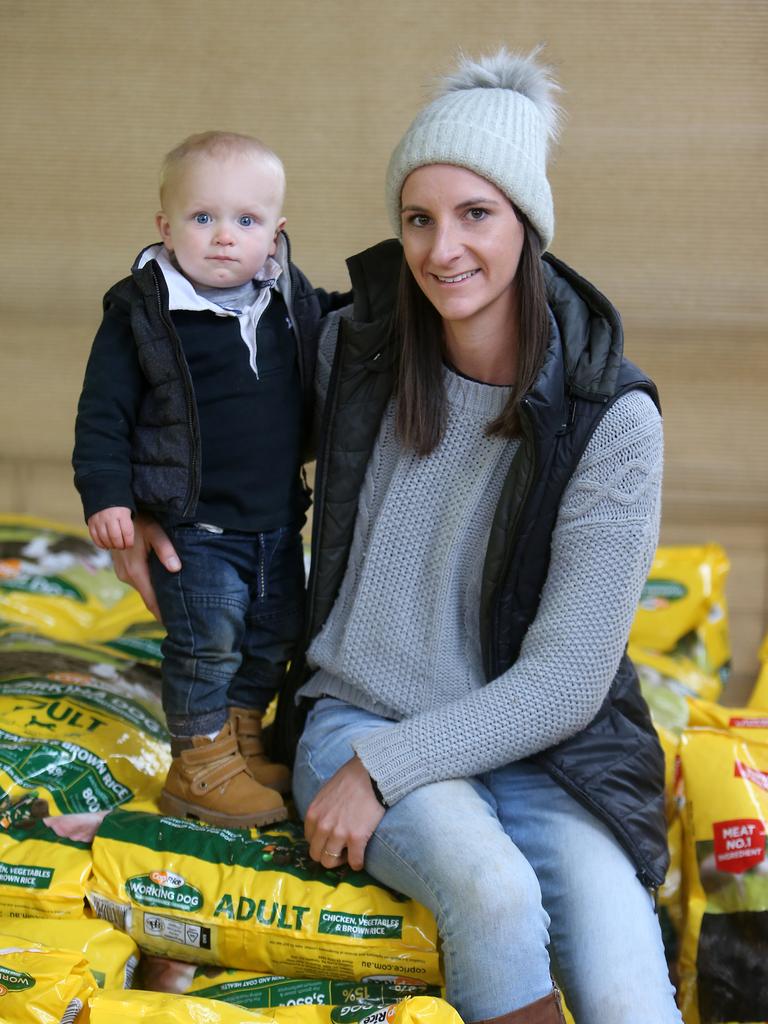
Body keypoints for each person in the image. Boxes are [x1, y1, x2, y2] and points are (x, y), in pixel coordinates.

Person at [113, 51, 683, 1024]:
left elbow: (564, 681)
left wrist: (382, 777)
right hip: (362, 713)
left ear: (528, 224)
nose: (441, 248)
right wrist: (138, 497)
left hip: (548, 747)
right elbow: (208, 406)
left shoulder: (609, 417)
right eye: (418, 217)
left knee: (629, 996)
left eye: (475, 214)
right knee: (494, 895)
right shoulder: (358, 354)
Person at [73, 131, 345, 830]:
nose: (225, 238)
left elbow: (350, 330)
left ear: (276, 234)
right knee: (206, 643)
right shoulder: (142, 313)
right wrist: (109, 498)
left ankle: (240, 742)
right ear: (165, 227)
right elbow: (103, 412)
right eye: (203, 219)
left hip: (278, 522)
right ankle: (198, 763)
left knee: (274, 635)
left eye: (246, 221)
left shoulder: (289, 302)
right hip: (194, 527)